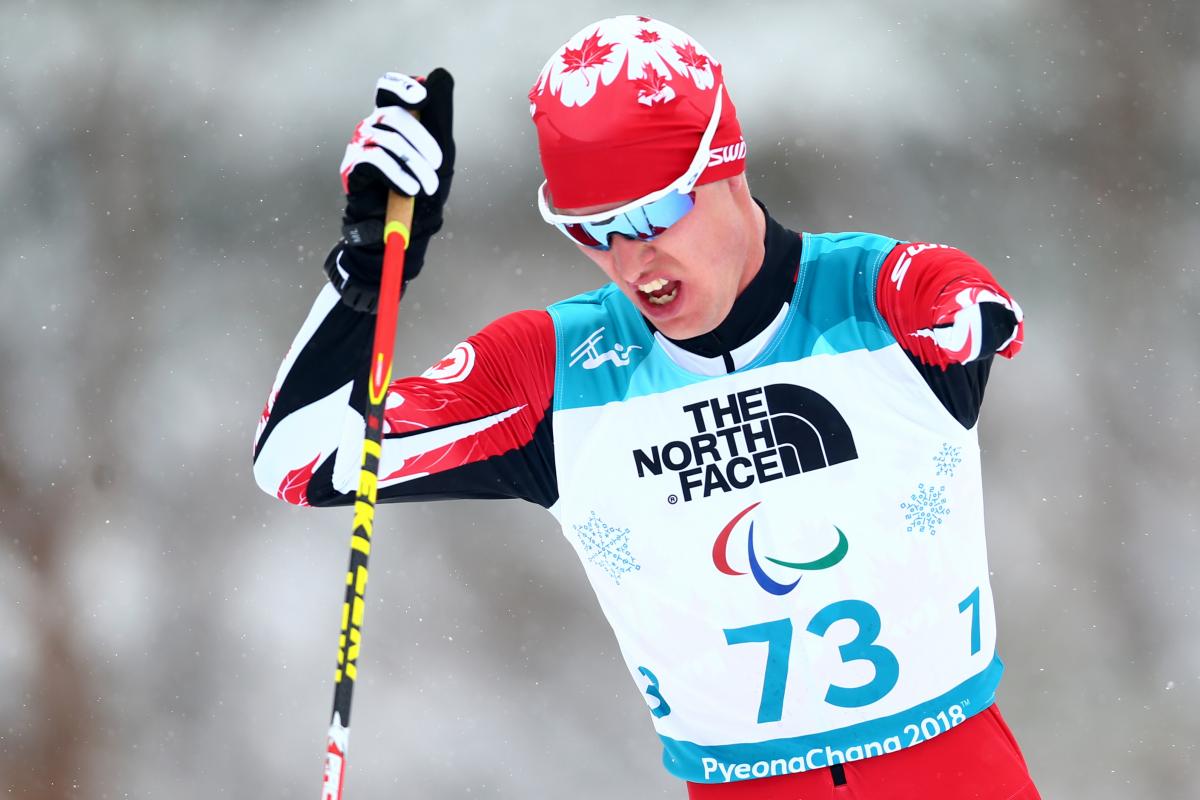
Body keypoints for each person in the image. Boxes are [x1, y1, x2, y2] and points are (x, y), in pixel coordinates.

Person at [253, 15, 1040, 799]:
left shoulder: (870, 301)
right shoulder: (555, 375)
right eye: (594, 232)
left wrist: (972, 308)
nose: (633, 260)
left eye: (653, 215)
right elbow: (295, 457)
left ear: (728, 170)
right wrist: (366, 267)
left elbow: (948, 288)